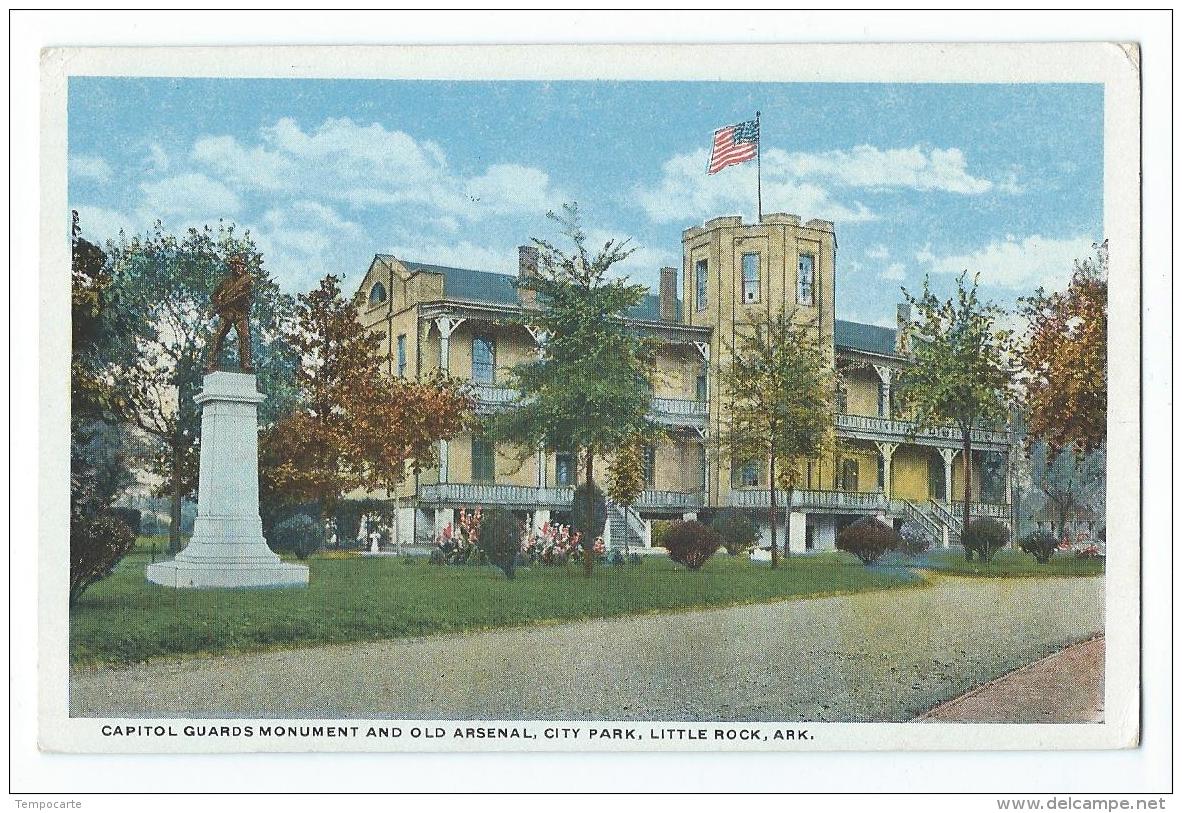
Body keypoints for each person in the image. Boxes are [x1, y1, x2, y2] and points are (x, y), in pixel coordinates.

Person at [206, 254, 253, 373]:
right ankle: (211, 362)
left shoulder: (246, 281)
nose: (240, 268)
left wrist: (245, 301)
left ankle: (246, 363)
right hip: (227, 312)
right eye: (237, 265)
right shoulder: (225, 282)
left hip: (240, 313)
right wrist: (219, 303)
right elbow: (213, 296)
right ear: (232, 266)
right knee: (218, 336)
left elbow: (250, 297)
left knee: (245, 337)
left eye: (242, 265)